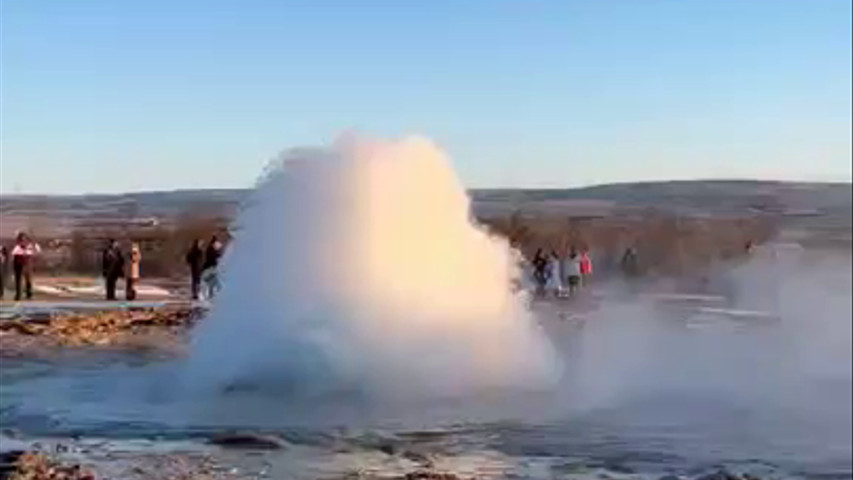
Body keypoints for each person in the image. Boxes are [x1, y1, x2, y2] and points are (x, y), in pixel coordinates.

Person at [11, 233, 40, 301]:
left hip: (27, 264)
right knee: (18, 280)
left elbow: (37, 251)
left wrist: (31, 249)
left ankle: (29, 294)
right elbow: (14, 254)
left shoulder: (30, 246)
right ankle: (18, 295)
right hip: (19, 264)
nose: (23, 241)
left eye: (24, 239)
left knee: (28, 280)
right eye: (21, 239)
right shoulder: (17, 247)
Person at [201, 235, 223, 300]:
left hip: (210, 268)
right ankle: (211, 296)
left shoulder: (211, 249)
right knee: (213, 283)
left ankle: (211, 295)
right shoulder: (211, 249)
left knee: (212, 283)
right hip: (210, 268)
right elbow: (212, 258)